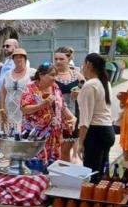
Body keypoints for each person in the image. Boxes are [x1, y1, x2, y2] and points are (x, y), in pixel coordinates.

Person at [20, 62, 75, 166]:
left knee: (53, 166)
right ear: (41, 75)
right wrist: (42, 104)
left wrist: (72, 117)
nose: (55, 78)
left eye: (56, 75)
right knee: (36, 166)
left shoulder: (55, 87)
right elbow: (24, 109)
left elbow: (62, 105)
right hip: (36, 136)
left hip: (55, 135)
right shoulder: (30, 88)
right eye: (52, 75)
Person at [74, 53, 114, 184]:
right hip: (107, 130)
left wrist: (80, 142)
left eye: (83, 64)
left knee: (92, 173)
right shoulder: (105, 82)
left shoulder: (90, 85)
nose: (82, 68)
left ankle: (93, 201)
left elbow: (85, 119)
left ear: (89, 65)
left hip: (95, 132)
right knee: (102, 172)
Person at [54, 46, 86, 162]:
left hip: (73, 115)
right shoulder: (51, 75)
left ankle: (64, 175)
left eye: (61, 59)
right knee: (56, 150)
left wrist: (80, 94)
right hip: (55, 117)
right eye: (56, 59)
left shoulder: (77, 76)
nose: (58, 61)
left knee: (65, 150)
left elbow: (87, 93)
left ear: (68, 59)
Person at [0, 49, 35, 132]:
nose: (18, 59)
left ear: (25, 59)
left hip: (27, 111)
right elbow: (3, 93)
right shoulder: (8, 74)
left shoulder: (32, 73)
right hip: (10, 112)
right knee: (10, 137)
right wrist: (2, 109)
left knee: (26, 137)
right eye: (16, 57)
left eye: (21, 57)